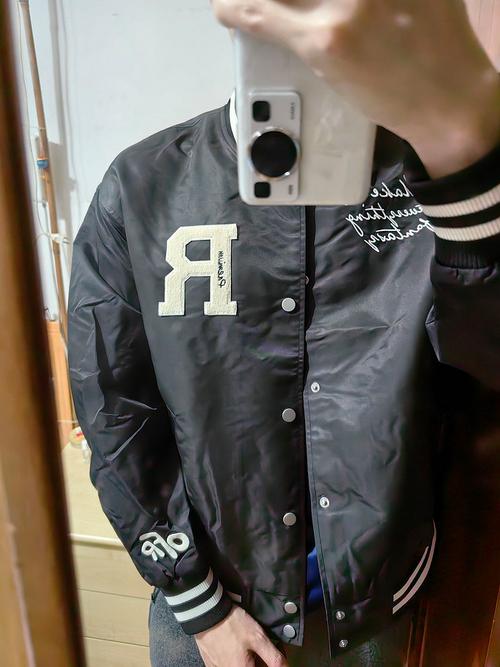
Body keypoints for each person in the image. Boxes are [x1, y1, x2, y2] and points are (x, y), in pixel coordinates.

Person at [68, 1, 500, 665]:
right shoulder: (144, 186)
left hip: (384, 597)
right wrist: (200, 605)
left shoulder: (436, 180)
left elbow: (484, 374)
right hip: (208, 601)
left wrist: (468, 156)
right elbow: (113, 410)